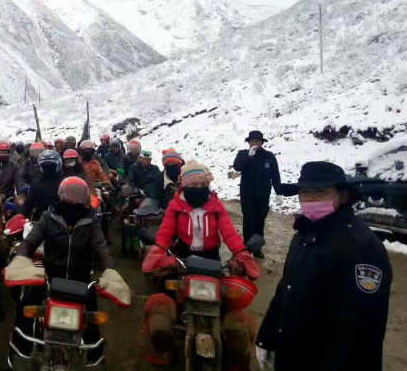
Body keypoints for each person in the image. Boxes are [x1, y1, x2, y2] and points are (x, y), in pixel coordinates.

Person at [255, 161, 392, 371]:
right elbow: (286, 289)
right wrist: (267, 336)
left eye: (320, 192)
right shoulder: (305, 233)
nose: (310, 198)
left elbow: (361, 329)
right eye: (305, 191)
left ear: (343, 196)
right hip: (292, 354)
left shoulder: (361, 247)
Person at [141, 161, 259, 367]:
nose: (198, 189)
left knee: (225, 302)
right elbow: (165, 232)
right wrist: (158, 250)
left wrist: (241, 253)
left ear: (208, 185)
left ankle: (233, 346)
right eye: (193, 185)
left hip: (210, 259)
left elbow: (229, 233)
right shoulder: (175, 206)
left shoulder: (216, 207)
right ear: (184, 186)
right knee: (166, 294)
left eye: (201, 185)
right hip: (182, 258)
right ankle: (161, 345)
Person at [7, 176, 127, 359]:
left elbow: (101, 247)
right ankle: (20, 349)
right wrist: (21, 258)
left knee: (92, 315)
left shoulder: (91, 220)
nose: (73, 203)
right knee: (26, 304)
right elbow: (31, 241)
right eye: (69, 200)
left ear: (84, 201)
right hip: (50, 274)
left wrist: (110, 271)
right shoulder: (49, 216)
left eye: (77, 200)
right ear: (61, 198)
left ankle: (93, 355)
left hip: (80, 276)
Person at [232, 130, 282, 259]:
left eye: (257, 141)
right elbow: (237, 167)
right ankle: (247, 247)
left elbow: (275, 174)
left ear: (262, 143)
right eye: (252, 141)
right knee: (249, 220)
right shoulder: (243, 154)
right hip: (247, 194)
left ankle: (257, 248)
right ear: (248, 142)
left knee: (260, 221)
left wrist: (278, 192)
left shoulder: (269, 156)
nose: (254, 143)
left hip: (263, 194)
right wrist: (248, 156)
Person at [22, 150, 63, 220]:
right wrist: (21, 217)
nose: (48, 168)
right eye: (45, 166)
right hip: (40, 220)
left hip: (61, 220)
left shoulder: (64, 183)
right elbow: (28, 205)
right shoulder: (35, 184)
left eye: (52, 165)